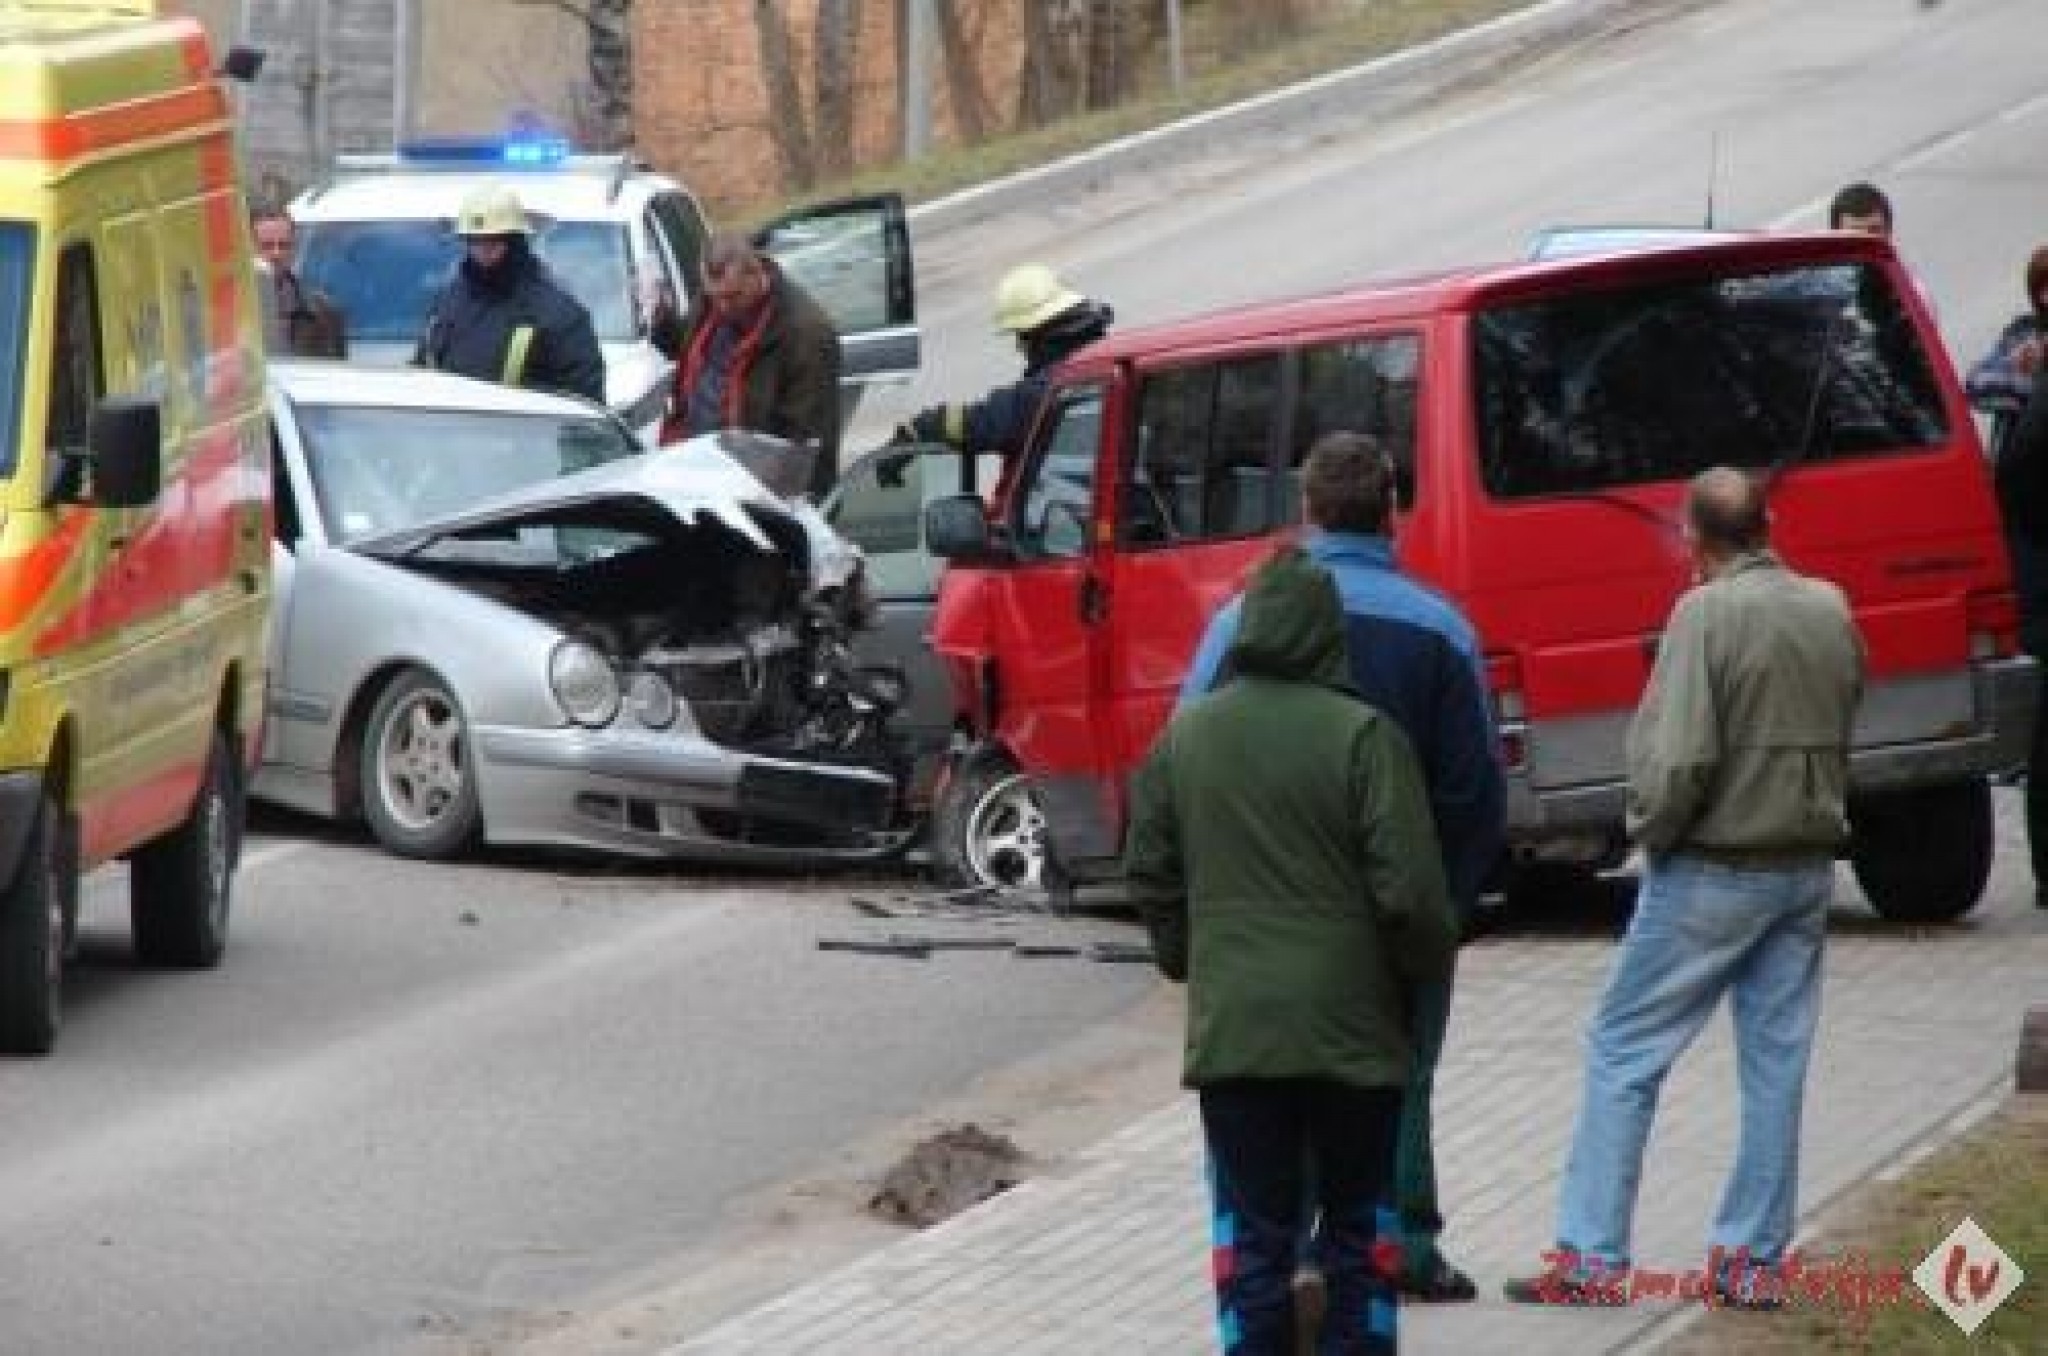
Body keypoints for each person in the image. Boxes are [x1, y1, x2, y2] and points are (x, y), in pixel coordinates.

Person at [1505, 467, 1864, 1309]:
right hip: (1804, 864)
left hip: (1714, 863)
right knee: (1776, 1064)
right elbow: (1848, 710)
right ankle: (1751, 1261)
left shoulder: (1702, 616)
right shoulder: (1829, 607)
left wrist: (1648, 828)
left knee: (1624, 1050)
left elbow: (1680, 756)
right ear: (1769, 524)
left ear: (1692, 539)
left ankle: (1592, 1259)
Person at [1180, 432, 1506, 1305]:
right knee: (1399, 1089)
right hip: (1401, 921)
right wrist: (1444, 914)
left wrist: (1193, 930)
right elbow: (1477, 792)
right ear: (1392, 508)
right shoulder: (1441, 630)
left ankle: (1267, 1262)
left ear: (1307, 510)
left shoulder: (1233, 630)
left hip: (1255, 934)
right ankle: (1393, 1254)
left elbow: (1178, 782)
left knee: (1262, 1112)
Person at [1127, 544, 1461, 1356]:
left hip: (1238, 1032)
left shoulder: (1187, 737)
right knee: (1360, 1230)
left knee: (1254, 1235)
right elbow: (1413, 894)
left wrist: (1189, 957)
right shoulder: (1365, 737)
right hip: (1355, 1037)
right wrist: (1412, 980)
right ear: (1326, 635)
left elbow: (1149, 870)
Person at [650, 234, 842, 498]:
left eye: (733, 296)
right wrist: (662, 322)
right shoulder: (712, 305)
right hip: (699, 471)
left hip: (761, 489)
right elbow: (684, 348)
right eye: (714, 296)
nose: (723, 307)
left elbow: (804, 440)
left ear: (757, 274)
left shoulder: (805, 333)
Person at [895, 263, 1112, 457]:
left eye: (1021, 336)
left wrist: (919, 428)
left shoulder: (1047, 392)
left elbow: (981, 423)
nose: (1019, 347)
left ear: (1039, 335)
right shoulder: (1109, 362)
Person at [415, 183, 605, 404]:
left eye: (493, 242)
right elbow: (424, 371)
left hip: (524, 436)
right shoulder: (447, 303)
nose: (482, 252)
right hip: (449, 433)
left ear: (515, 242)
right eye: (475, 242)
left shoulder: (558, 315)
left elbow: (584, 405)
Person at [1965, 245, 2048, 461]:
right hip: (2024, 474)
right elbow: (1976, 386)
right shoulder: (2023, 332)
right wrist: (2023, 371)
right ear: (2042, 294)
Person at [251, 206, 347, 358]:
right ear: (250, 248)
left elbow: (335, 376)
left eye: (283, 245)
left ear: (294, 248)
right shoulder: (226, 312)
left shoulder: (324, 313)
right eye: (266, 246)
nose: (276, 254)